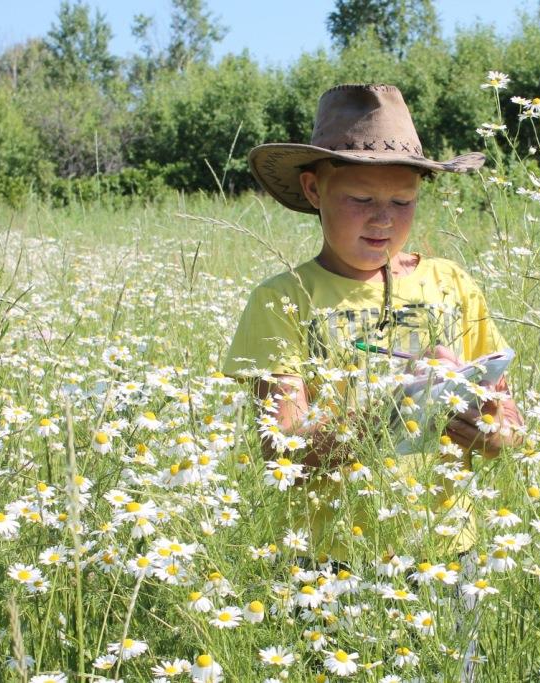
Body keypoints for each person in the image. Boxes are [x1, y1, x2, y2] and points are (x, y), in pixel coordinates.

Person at [223, 83, 524, 566]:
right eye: (361, 198)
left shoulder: (451, 283)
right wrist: (398, 405)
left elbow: (508, 419)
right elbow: (282, 450)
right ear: (313, 189)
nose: (383, 219)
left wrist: (492, 434)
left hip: (448, 550)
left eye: (403, 202)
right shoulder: (282, 299)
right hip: (331, 560)